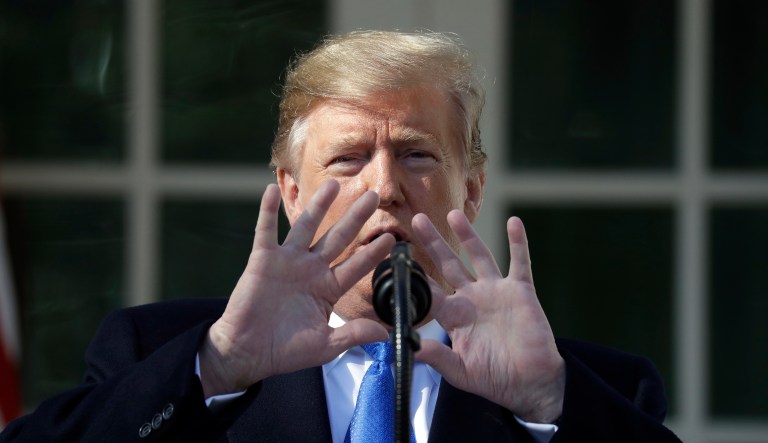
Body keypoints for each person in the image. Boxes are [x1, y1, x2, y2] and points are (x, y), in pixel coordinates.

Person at [0, 31, 681, 442]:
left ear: (471, 188)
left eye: (416, 154)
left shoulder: (592, 389)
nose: (384, 186)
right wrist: (218, 364)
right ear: (292, 192)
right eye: (349, 158)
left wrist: (549, 404)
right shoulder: (158, 353)